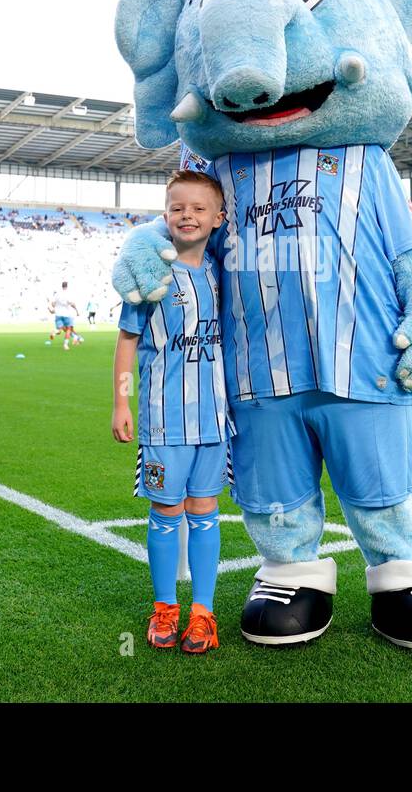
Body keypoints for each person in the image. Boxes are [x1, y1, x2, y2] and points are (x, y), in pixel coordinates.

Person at [111, 170, 229, 655]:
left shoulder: (222, 272)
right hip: (164, 418)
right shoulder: (151, 275)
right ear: (165, 215)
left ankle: (203, 614)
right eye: (178, 207)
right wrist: (121, 399)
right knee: (165, 512)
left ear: (218, 218)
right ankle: (165, 607)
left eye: (199, 208)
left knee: (204, 511)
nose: (188, 215)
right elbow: (126, 339)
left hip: (215, 418)